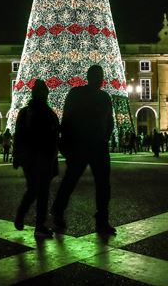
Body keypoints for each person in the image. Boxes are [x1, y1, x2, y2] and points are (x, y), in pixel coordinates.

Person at [51, 65, 117, 236]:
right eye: (97, 76)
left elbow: (110, 121)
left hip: (95, 146)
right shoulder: (82, 94)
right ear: (89, 77)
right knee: (72, 181)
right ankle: (58, 212)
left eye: (101, 76)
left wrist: (105, 137)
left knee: (100, 185)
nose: (100, 79)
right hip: (81, 146)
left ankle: (102, 219)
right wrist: (67, 145)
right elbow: (67, 120)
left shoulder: (101, 96)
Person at [12, 81, 59, 238]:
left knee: (33, 189)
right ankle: (39, 225)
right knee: (42, 191)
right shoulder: (49, 113)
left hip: (30, 158)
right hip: (43, 157)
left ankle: (21, 214)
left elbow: (18, 135)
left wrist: (17, 157)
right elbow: (55, 137)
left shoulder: (25, 112)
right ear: (45, 94)